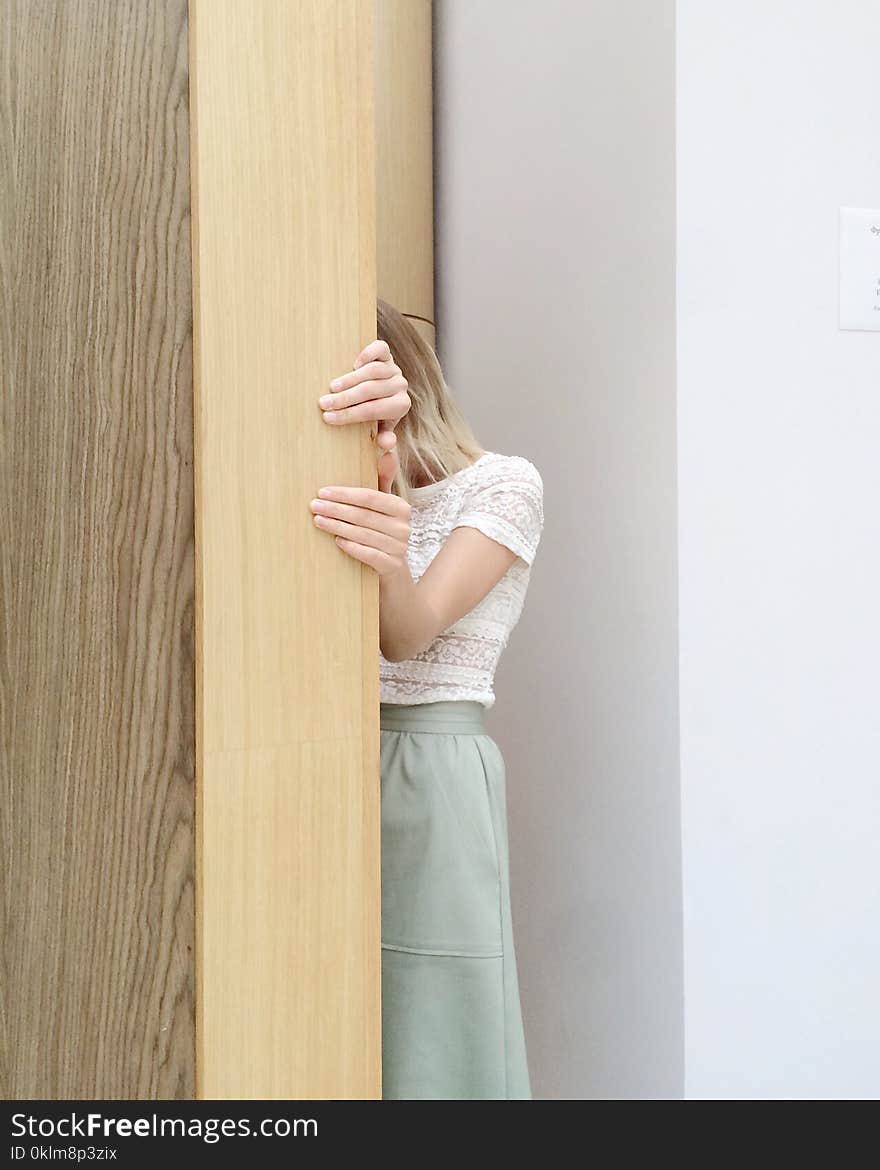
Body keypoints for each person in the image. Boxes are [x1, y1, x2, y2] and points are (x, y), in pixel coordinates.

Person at [309, 298, 544, 1099]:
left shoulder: (505, 486)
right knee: (330, 1012)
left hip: (430, 765)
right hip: (324, 755)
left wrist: (386, 528)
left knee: (436, 1016)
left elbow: (406, 635)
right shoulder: (331, 487)